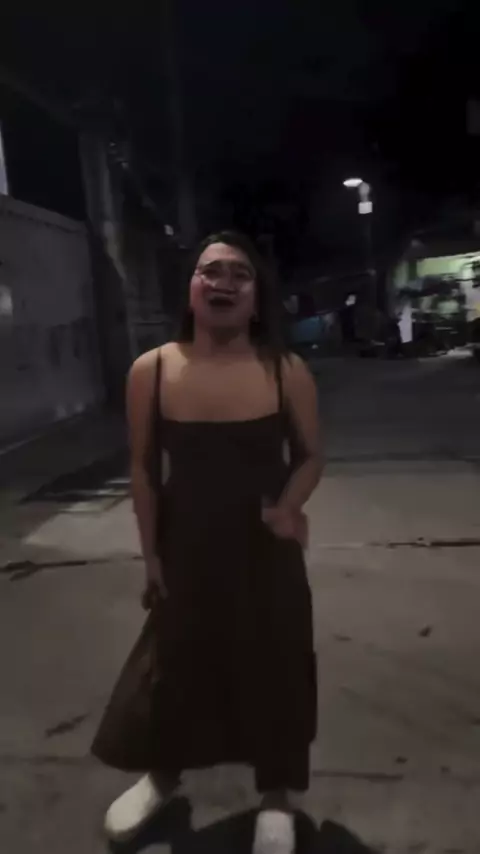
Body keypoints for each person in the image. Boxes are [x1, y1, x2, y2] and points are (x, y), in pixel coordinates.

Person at [92, 231, 323, 854]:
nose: (223, 281)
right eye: (210, 270)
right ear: (191, 289)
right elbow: (143, 470)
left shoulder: (286, 370)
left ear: (256, 296)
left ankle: (275, 795)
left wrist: (288, 506)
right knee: (176, 665)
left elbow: (310, 457)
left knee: (275, 664)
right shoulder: (152, 370)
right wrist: (151, 554)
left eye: (239, 274)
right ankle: (163, 776)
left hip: (265, 550)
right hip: (186, 546)